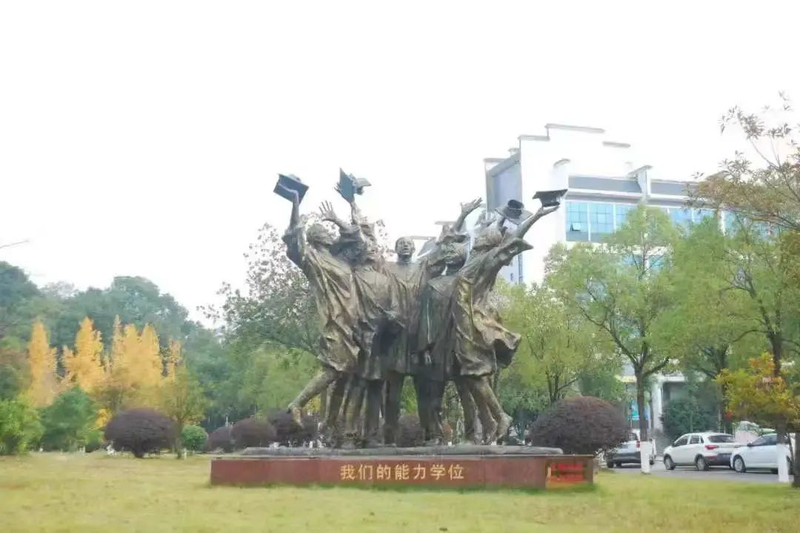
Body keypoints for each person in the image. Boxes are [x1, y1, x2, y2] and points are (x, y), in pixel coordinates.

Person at [452, 203, 558, 442]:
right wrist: (500, 219)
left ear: (488, 243)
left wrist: (536, 216)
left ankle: (501, 417)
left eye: (484, 236)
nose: (478, 237)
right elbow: (496, 236)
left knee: (474, 372)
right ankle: (492, 421)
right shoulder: (473, 259)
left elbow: (511, 242)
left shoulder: (489, 260)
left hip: (472, 324)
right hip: (460, 324)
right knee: (468, 375)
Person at [283, 191, 360, 433]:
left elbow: (356, 236)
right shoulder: (313, 259)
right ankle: (297, 403)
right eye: (323, 231)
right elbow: (294, 241)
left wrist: (338, 218)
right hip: (334, 321)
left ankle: (330, 423)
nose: (329, 233)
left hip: (351, 322)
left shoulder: (341, 258)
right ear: (315, 239)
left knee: (346, 373)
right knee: (334, 369)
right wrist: (295, 205)